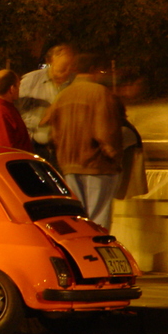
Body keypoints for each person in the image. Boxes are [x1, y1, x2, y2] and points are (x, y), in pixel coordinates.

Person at [40, 55, 121, 229]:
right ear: (93, 70)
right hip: (97, 165)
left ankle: (82, 253)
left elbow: (50, 130)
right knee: (98, 218)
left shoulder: (63, 95)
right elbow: (105, 132)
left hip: (69, 165)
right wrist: (114, 156)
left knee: (79, 218)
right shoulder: (101, 94)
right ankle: (98, 252)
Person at [18, 44, 78, 167]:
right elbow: (18, 113)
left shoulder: (76, 81)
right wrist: (41, 120)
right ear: (49, 62)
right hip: (37, 147)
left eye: (69, 68)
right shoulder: (30, 81)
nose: (65, 73)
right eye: (61, 69)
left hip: (65, 148)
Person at [0, 69, 33, 151]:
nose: (19, 90)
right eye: (18, 86)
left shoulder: (4, 108)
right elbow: (5, 149)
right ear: (12, 89)